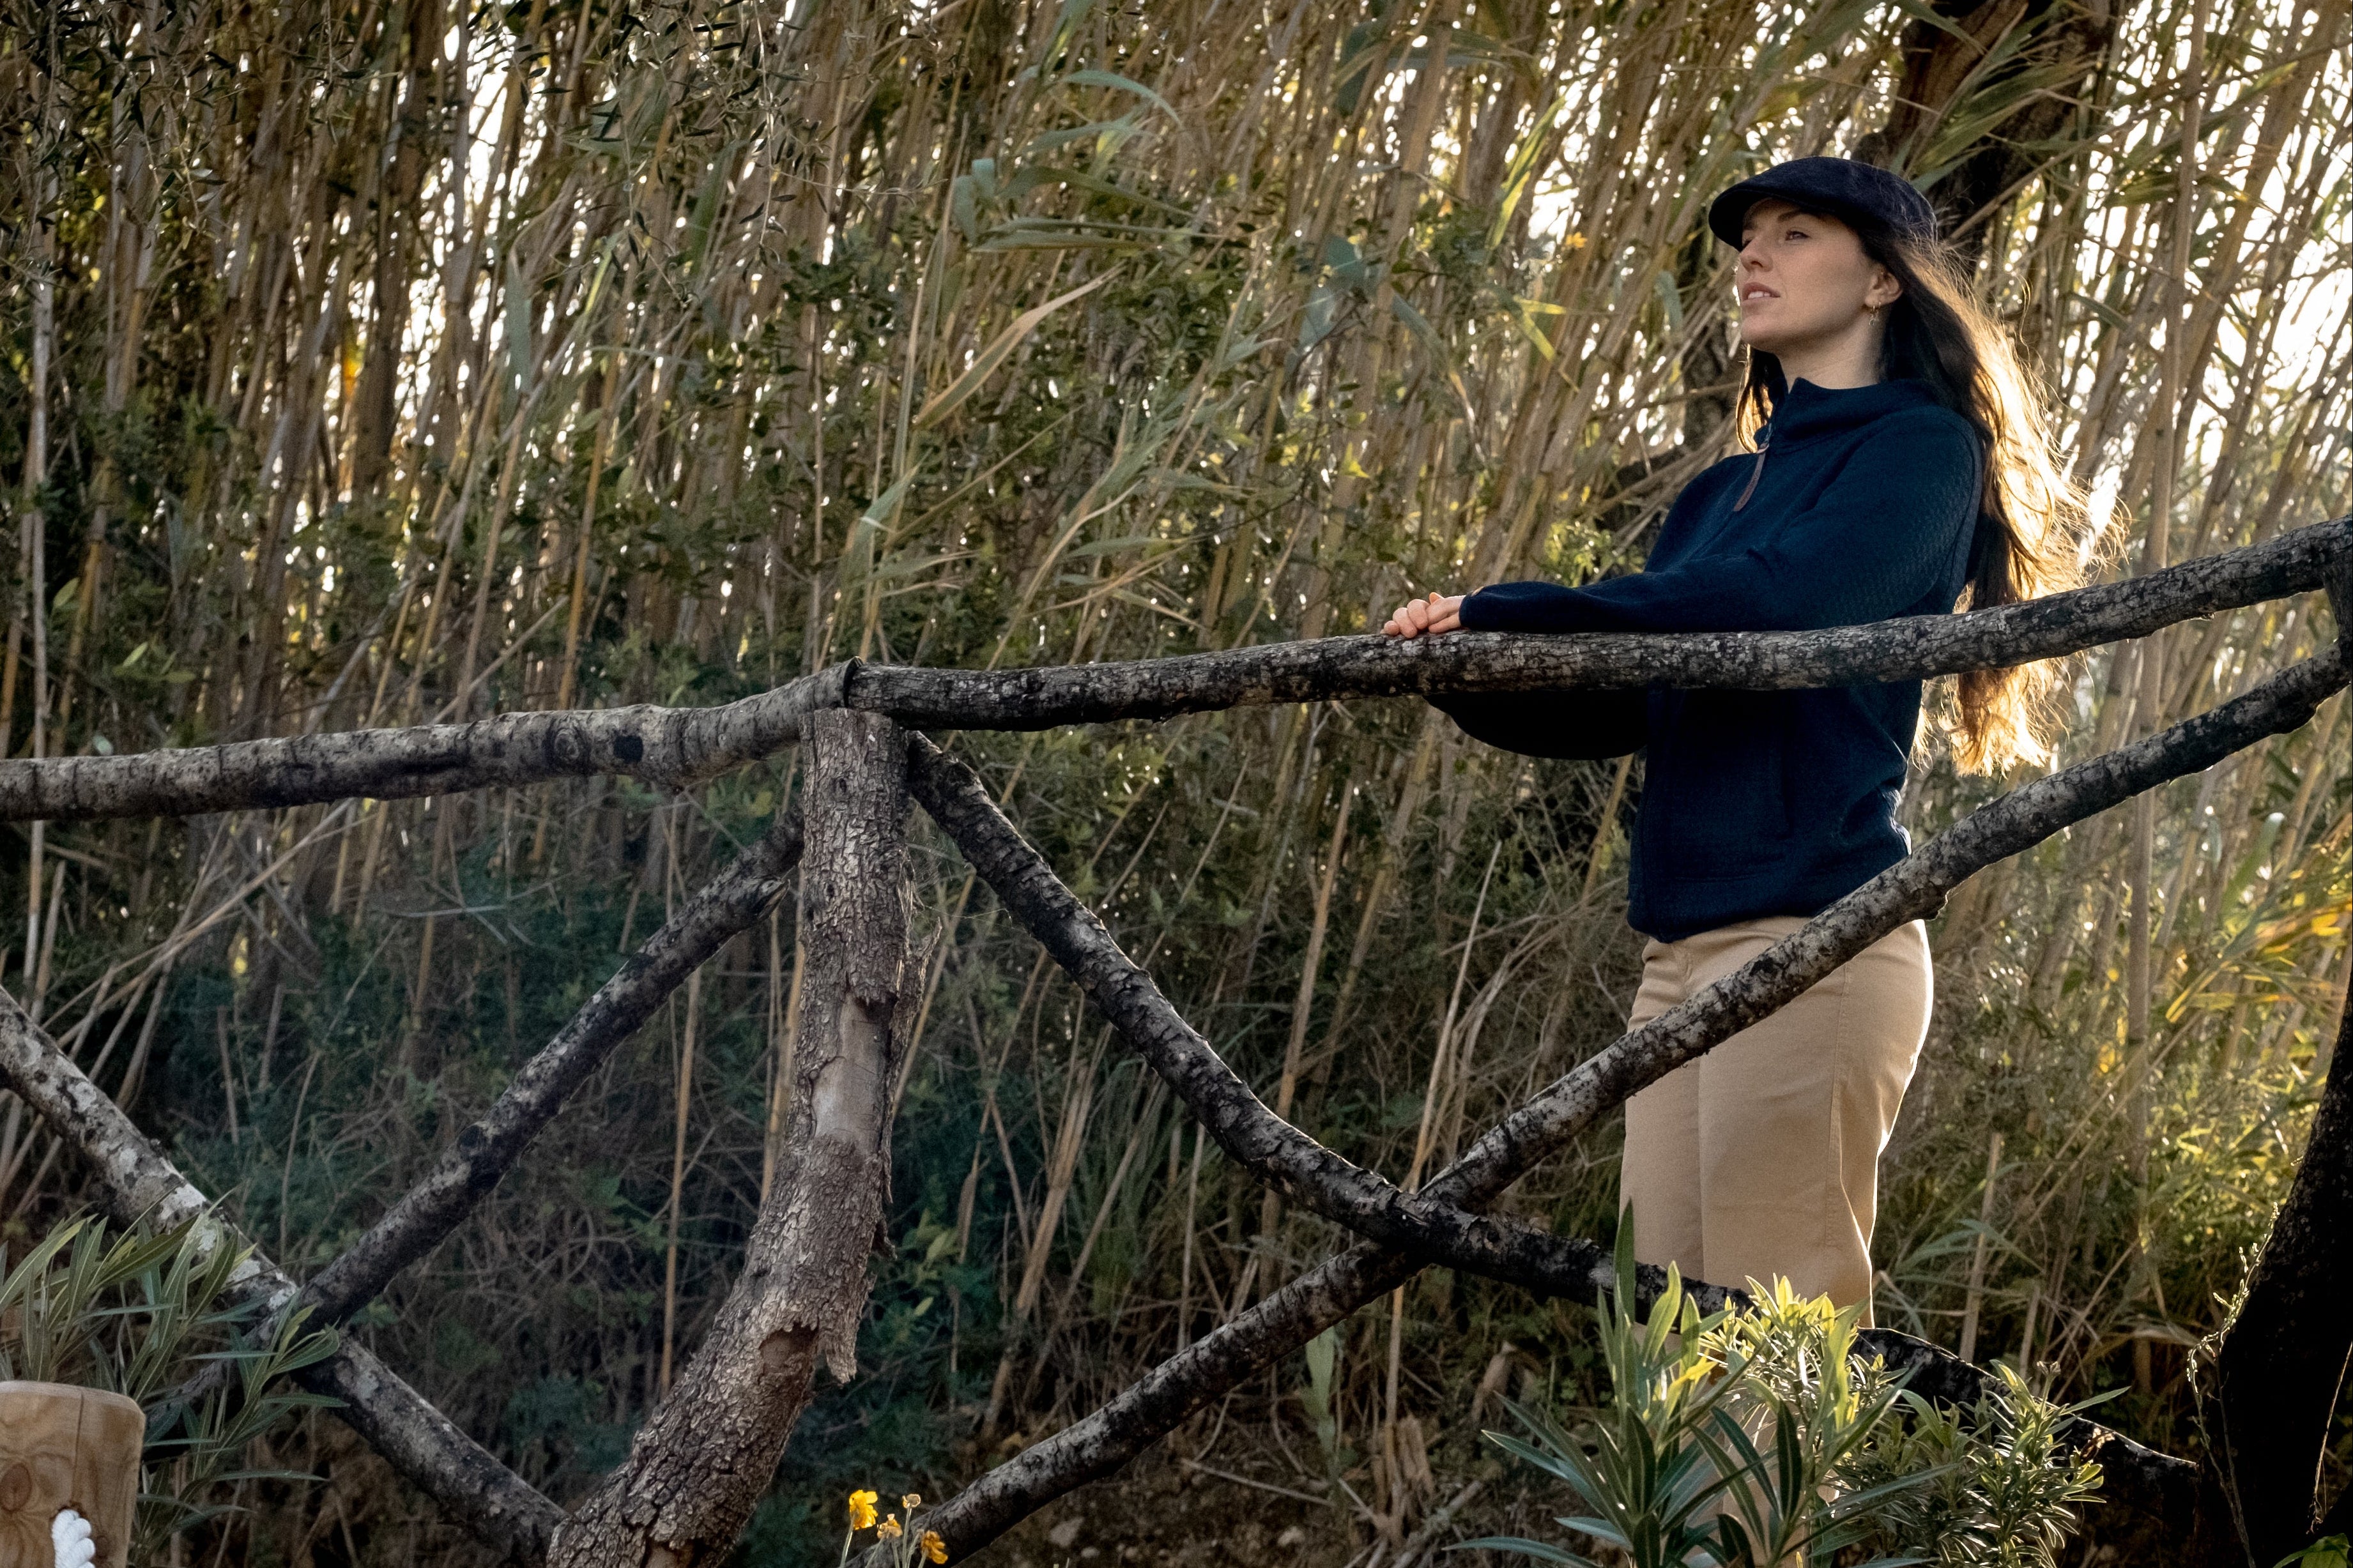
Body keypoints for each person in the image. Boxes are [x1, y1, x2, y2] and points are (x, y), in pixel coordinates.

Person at [1380, 156, 2081, 1321]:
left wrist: (1524, 608)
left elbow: (1783, 603)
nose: (1752, 256)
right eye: (1749, 236)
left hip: (1813, 939)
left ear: (1883, 282)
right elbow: (1633, 701)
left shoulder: (1920, 452)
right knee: (1661, 1342)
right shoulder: (1719, 496)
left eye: (1795, 233)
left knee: (1775, 1348)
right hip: (1677, 957)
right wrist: (1463, 668)